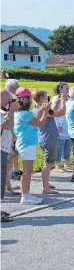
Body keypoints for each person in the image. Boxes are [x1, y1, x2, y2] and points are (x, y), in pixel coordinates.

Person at [14, 87, 50, 205]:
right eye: (29, 98)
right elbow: (40, 122)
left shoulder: (21, 113)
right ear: (25, 99)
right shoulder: (25, 114)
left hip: (25, 144)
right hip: (27, 144)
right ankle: (25, 196)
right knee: (27, 172)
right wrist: (45, 110)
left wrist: (41, 110)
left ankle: (26, 193)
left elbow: (35, 119)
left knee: (27, 172)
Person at [32, 89, 66, 194]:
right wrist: (63, 100)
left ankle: (46, 183)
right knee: (47, 164)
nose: (48, 97)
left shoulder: (38, 109)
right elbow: (61, 112)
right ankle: (45, 187)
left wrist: (58, 102)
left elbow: (53, 111)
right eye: (46, 96)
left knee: (47, 163)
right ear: (42, 98)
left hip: (44, 138)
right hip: (49, 139)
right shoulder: (43, 111)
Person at [1, 90, 20, 221]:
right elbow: (7, 125)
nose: (10, 103)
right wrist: (12, 110)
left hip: (3, 148)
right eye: (9, 100)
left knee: (2, 177)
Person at [52, 82, 73, 172]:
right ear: (60, 89)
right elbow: (54, 112)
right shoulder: (56, 99)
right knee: (59, 146)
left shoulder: (68, 99)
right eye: (66, 88)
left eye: (68, 88)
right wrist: (58, 124)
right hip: (60, 124)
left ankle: (66, 163)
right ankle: (57, 165)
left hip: (68, 124)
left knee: (68, 145)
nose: (68, 89)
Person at [5, 79, 22, 180]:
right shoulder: (9, 98)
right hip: (9, 128)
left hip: (14, 126)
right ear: (13, 88)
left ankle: (15, 169)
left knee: (15, 149)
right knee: (11, 150)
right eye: (17, 88)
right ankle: (10, 172)